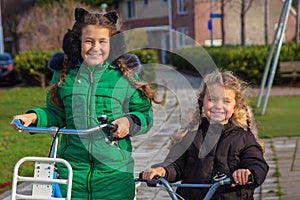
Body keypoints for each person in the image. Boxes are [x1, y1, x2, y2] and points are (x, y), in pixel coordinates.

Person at [11, 7, 160, 200]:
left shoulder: (124, 77)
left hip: (113, 176)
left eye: (102, 42)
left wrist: (128, 122)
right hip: (71, 174)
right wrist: (33, 117)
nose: (95, 47)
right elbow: (57, 113)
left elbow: (144, 114)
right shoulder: (65, 76)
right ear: (77, 43)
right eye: (88, 41)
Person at [141, 70, 269, 200]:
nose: (218, 106)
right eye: (212, 99)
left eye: (226, 101)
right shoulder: (191, 137)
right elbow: (175, 164)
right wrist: (161, 171)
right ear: (203, 103)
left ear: (235, 107)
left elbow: (257, 164)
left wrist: (248, 172)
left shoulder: (244, 139)